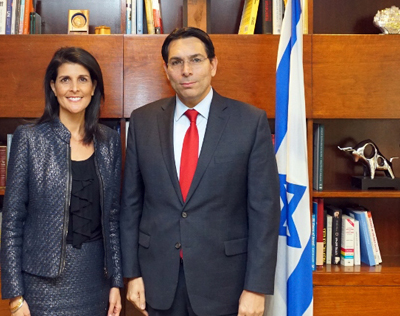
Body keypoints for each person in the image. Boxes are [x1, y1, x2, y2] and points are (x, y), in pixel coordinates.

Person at [120, 27, 280, 316]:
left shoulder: (249, 122)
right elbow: (131, 204)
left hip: (225, 285)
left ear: (213, 65)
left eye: (195, 60)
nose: (186, 70)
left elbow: (264, 211)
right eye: (176, 62)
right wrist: (131, 274)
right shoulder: (142, 122)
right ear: (166, 70)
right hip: (157, 282)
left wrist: (256, 287)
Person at [1, 47, 122, 316]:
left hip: (95, 279)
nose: (74, 88)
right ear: (53, 88)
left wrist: (116, 282)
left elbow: (112, 218)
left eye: (83, 79)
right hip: (41, 283)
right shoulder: (29, 139)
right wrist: (15, 296)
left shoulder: (109, 142)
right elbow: (12, 220)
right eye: (65, 80)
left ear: (93, 88)